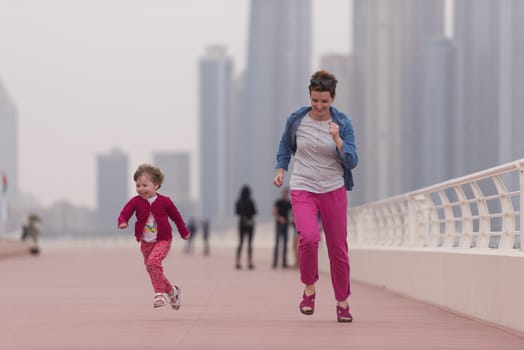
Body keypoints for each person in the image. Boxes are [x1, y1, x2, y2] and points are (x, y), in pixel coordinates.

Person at [273, 70, 358, 323]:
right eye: (315, 101)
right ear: (309, 97)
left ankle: (342, 302)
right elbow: (284, 146)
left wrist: (338, 139)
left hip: (333, 188)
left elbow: (352, 161)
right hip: (303, 187)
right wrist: (280, 169)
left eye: (324, 101)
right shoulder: (297, 119)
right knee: (308, 238)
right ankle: (309, 287)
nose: (319, 106)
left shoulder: (343, 123)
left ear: (333, 98)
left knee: (338, 249)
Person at [117, 163, 191, 310]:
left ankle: (160, 295)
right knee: (152, 268)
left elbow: (176, 217)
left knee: (153, 263)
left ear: (156, 185)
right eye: (138, 185)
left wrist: (184, 232)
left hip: (163, 240)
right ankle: (172, 292)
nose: (141, 189)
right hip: (145, 242)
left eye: (145, 185)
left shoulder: (165, 201)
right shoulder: (135, 202)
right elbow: (125, 213)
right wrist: (122, 222)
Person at [235, 185, 257, 270]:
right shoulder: (251, 202)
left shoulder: (238, 202)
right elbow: (255, 212)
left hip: (241, 224)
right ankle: (250, 262)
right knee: (250, 244)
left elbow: (237, 213)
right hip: (250, 224)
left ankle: (238, 262)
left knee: (240, 243)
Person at [272, 187, 291, 269]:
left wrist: (289, 221)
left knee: (285, 245)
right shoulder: (278, 202)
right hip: (279, 224)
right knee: (277, 244)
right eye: (284, 193)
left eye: (287, 193)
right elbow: (274, 213)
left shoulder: (289, 203)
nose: (285, 194)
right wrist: (280, 218)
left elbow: (292, 213)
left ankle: (284, 262)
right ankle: (275, 262)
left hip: (286, 225)